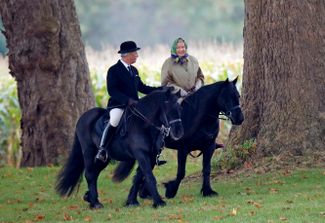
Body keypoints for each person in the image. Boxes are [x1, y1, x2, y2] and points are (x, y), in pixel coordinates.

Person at [95, 41, 160, 163]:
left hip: (135, 105)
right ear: (127, 54)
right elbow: (112, 90)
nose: (137, 55)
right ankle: (102, 149)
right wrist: (127, 100)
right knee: (114, 120)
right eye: (135, 53)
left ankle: (154, 153)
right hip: (118, 105)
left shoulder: (134, 70)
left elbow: (142, 87)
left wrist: (160, 89)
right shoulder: (114, 70)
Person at [161, 37, 204, 102]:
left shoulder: (193, 60)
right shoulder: (168, 63)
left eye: (183, 47)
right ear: (174, 49)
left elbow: (200, 76)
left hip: (195, 97)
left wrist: (197, 86)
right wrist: (180, 91)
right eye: (178, 48)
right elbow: (165, 83)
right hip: (176, 99)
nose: (181, 50)